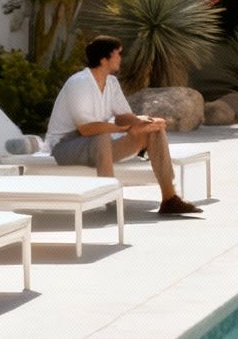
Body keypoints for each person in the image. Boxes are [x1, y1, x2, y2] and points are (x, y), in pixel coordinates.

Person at [45, 35, 200, 217]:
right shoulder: (79, 83)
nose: (120, 58)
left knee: (153, 131)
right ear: (104, 60)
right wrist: (124, 129)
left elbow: (122, 117)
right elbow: (86, 129)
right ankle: (111, 201)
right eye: (117, 54)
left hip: (99, 145)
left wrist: (144, 122)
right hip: (66, 146)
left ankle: (169, 199)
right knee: (101, 137)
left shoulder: (111, 82)